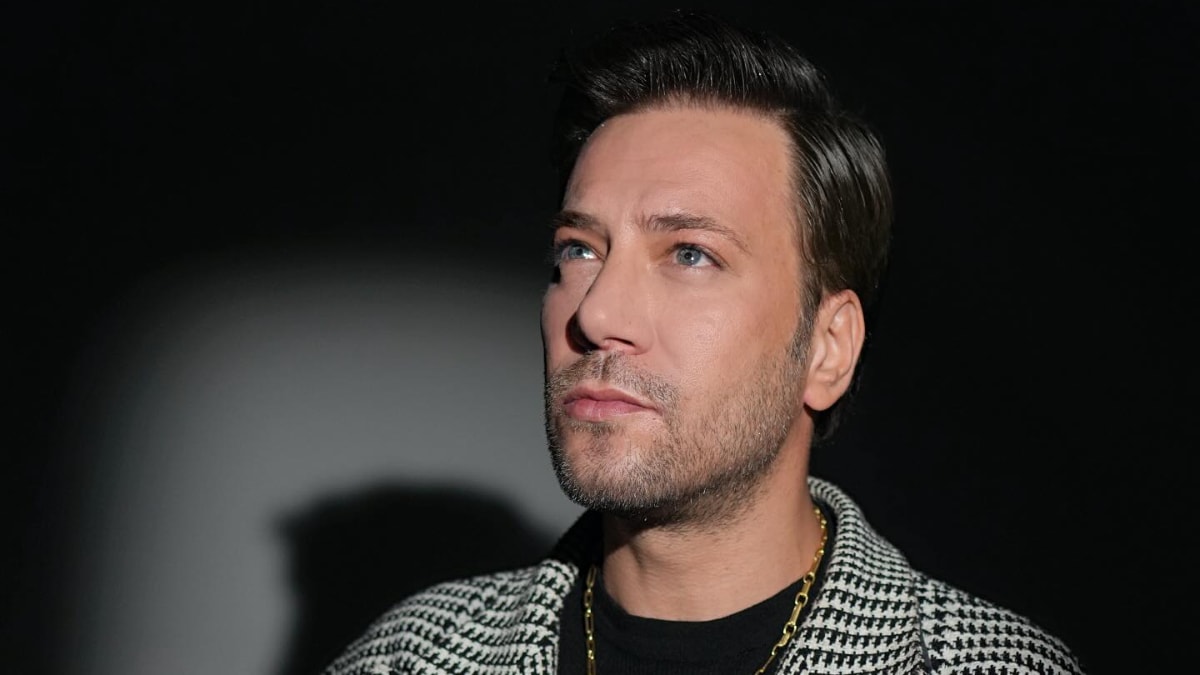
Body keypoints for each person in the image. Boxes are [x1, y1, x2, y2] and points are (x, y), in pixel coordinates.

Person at [323, 9, 1085, 675]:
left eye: (690, 254)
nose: (597, 314)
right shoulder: (406, 659)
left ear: (829, 347)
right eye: (579, 250)